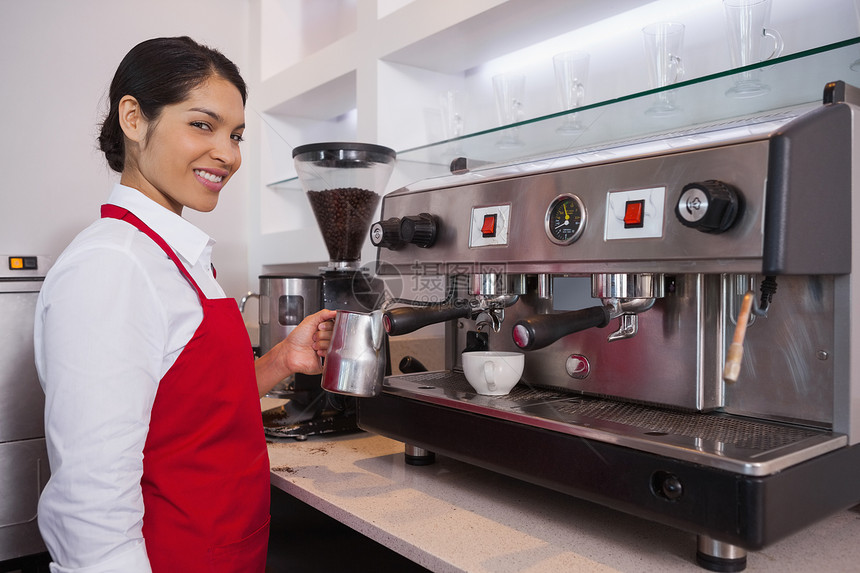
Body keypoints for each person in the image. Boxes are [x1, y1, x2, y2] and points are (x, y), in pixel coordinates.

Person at [33, 36, 336, 573]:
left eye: (236, 134)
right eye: (203, 124)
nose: (229, 153)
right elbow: (91, 502)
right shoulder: (113, 266)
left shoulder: (175, 257)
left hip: (224, 551)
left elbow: (191, 406)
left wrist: (281, 361)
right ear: (133, 118)